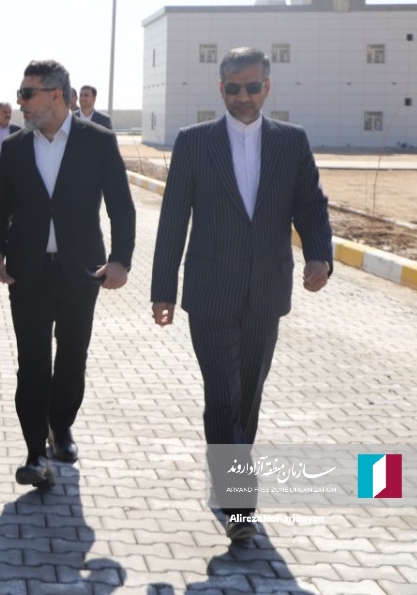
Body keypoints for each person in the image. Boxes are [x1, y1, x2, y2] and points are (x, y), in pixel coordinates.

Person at [150, 46, 332, 541]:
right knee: (222, 394)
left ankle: (227, 476)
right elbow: (173, 219)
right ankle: (238, 502)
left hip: (266, 290)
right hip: (210, 290)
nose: (243, 96)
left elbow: (310, 205)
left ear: (267, 87)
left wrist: (320, 255)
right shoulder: (194, 142)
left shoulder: (292, 142)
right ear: (221, 89)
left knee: (248, 396)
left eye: (252, 87)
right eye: (233, 88)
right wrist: (163, 290)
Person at [0, 60, 135, 489]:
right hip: (27, 273)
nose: (20, 102)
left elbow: (121, 205)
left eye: (27, 93)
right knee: (32, 362)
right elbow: (0, 206)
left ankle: (61, 425)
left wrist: (121, 260)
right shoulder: (15, 147)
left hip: (81, 271)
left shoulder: (98, 141)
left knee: (72, 357)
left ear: (55, 95)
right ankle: (35, 452)